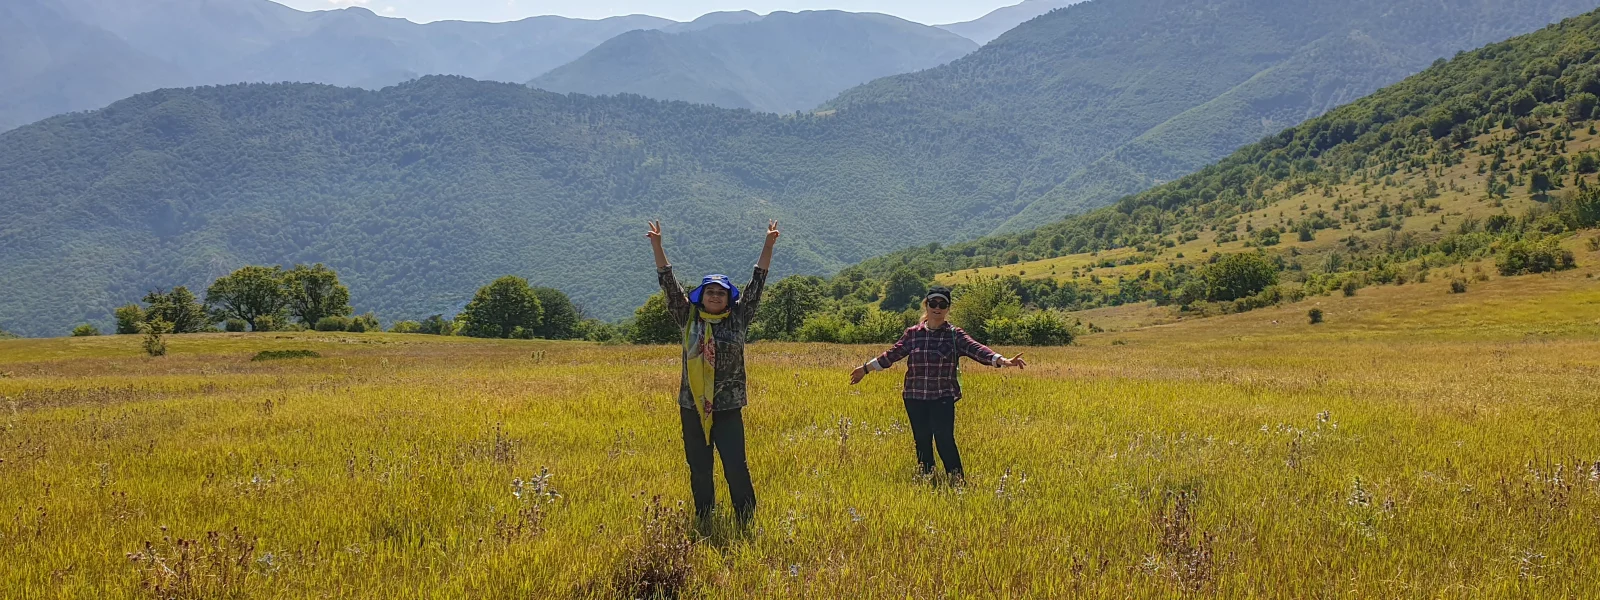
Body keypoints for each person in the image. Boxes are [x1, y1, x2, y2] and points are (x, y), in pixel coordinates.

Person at [648, 219, 777, 525]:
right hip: (692, 405)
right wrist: (657, 245)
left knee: (735, 466)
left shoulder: (738, 318)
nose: (716, 296)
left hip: (728, 406)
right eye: (710, 292)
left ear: (729, 297)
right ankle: (704, 517)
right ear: (701, 296)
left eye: (721, 292)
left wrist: (768, 244)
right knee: (700, 467)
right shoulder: (688, 318)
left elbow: (758, 283)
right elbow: (668, 284)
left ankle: (745, 519)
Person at [849, 286, 1026, 481]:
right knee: (922, 440)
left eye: (943, 304)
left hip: (942, 396)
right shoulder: (913, 334)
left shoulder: (954, 335)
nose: (937, 307)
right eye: (933, 303)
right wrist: (864, 369)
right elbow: (891, 355)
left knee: (944, 439)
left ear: (948, 308)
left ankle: (957, 482)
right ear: (926, 305)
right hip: (914, 396)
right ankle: (928, 478)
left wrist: (1004, 361)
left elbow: (978, 350)